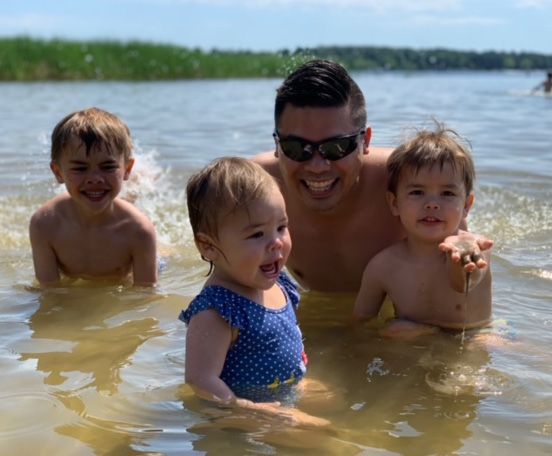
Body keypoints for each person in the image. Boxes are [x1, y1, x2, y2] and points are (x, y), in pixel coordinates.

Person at [254, 59, 491, 293]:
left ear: (365, 141)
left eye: (336, 147)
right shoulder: (251, 188)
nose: (317, 166)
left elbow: (460, 283)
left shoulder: (409, 181)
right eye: (296, 147)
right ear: (277, 143)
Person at [180, 157, 327, 426]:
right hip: (243, 424)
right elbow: (200, 381)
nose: (276, 243)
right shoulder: (217, 311)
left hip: (281, 397)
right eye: (257, 235)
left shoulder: (280, 284)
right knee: (333, 442)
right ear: (208, 246)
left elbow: (285, 342)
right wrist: (246, 409)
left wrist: (302, 381)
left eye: (281, 227)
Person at [353, 123, 492, 336]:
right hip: (418, 342)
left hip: (476, 337)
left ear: (466, 205)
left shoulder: (474, 248)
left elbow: (463, 283)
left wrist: (462, 258)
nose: (432, 204)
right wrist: (384, 331)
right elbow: (360, 324)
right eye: (417, 192)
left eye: (447, 193)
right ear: (394, 203)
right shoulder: (382, 267)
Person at [29, 107, 157, 287]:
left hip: (144, 265)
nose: (95, 179)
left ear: (127, 169)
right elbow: (49, 290)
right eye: (80, 168)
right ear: (58, 172)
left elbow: (145, 294)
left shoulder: (139, 231)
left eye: (107, 167)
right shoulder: (44, 224)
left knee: (161, 259)